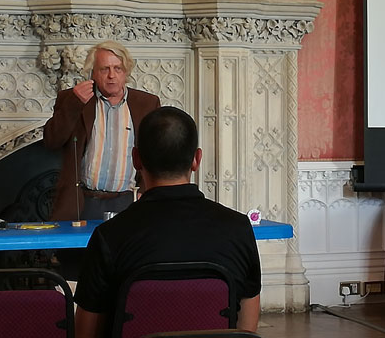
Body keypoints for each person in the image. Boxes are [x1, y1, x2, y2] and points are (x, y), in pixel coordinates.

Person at [74, 106, 261, 337]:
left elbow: (85, 332)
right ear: (197, 159)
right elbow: (246, 327)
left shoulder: (109, 236)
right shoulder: (239, 228)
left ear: (136, 159)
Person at [44, 40, 160, 221]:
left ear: (126, 71)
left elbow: (156, 155)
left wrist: (147, 191)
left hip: (129, 201)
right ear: (93, 73)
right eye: (104, 69)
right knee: (83, 250)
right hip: (83, 201)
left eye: (118, 69)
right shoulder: (73, 99)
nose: (111, 76)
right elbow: (52, 141)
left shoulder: (147, 104)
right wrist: (74, 105)